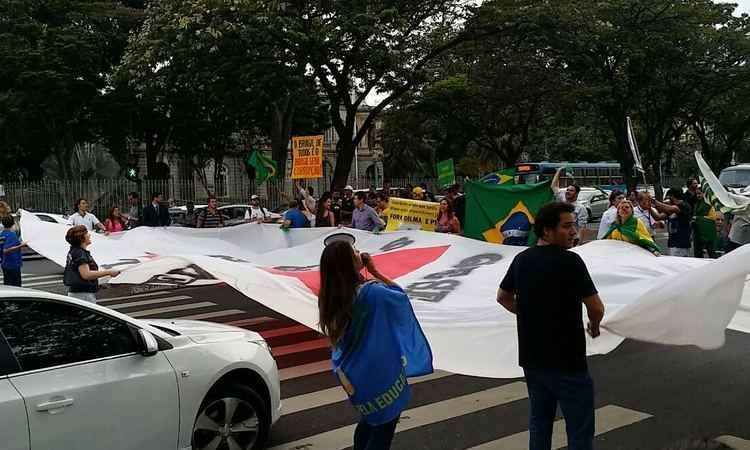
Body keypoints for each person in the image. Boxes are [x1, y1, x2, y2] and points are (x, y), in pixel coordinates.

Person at [497, 202, 605, 450]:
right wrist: (595, 326)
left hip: (533, 360)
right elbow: (596, 307)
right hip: (568, 363)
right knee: (579, 428)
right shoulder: (571, 262)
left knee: (540, 422)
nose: (574, 232)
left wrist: (526, 313)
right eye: (567, 226)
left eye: (574, 226)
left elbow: (503, 297)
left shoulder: (521, 260)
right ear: (546, 231)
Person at [318, 239, 432, 450]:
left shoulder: (331, 296)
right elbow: (401, 297)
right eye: (355, 251)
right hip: (379, 374)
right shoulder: (373, 294)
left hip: (354, 374)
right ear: (349, 262)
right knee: (384, 427)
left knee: (370, 420)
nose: (359, 252)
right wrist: (376, 272)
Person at [63, 225, 119, 303]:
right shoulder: (80, 253)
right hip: (83, 294)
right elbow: (86, 274)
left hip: (78, 292)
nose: (89, 235)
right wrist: (109, 272)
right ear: (81, 238)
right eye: (87, 233)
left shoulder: (74, 251)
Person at [551, 168, 589, 242]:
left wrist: (579, 243)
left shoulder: (581, 208)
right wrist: (558, 171)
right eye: (567, 190)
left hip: (572, 240)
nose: (567, 192)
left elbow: (582, 227)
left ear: (577, 193)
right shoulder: (562, 199)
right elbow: (553, 186)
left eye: (571, 190)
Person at [653, 188, 693, 257]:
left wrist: (653, 201)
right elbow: (658, 217)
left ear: (672, 197)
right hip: (673, 243)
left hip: (682, 243)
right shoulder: (672, 208)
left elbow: (669, 208)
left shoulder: (684, 205)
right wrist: (649, 208)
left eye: (668, 197)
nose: (667, 200)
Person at [693, 189, 720, 258]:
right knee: (698, 254)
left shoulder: (709, 204)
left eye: (700, 193)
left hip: (708, 233)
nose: (698, 195)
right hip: (698, 233)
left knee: (711, 253)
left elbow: (712, 218)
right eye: (697, 194)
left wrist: (698, 218)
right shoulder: (696, 204)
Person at [0, 215, 26, 287]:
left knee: (8, 285)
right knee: (16, 287)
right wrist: (20, 246)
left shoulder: (2, 234)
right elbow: (6, 250)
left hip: (5, 264)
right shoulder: (11, 235)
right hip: (13, 264)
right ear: (13, 223)